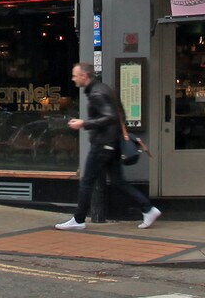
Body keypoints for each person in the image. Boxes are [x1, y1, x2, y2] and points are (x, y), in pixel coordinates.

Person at [54, 63, 161, 232]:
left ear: (85, 76)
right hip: (112, 142)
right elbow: (119, 114)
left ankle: (78, 219)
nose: (73, 78)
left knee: (87, 181)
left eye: (75, 75)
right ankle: (148, 208)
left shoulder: (97, 93)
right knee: (118, 181)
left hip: (103, 145)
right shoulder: (104, 88)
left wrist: (84, 123)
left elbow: (110, 116)